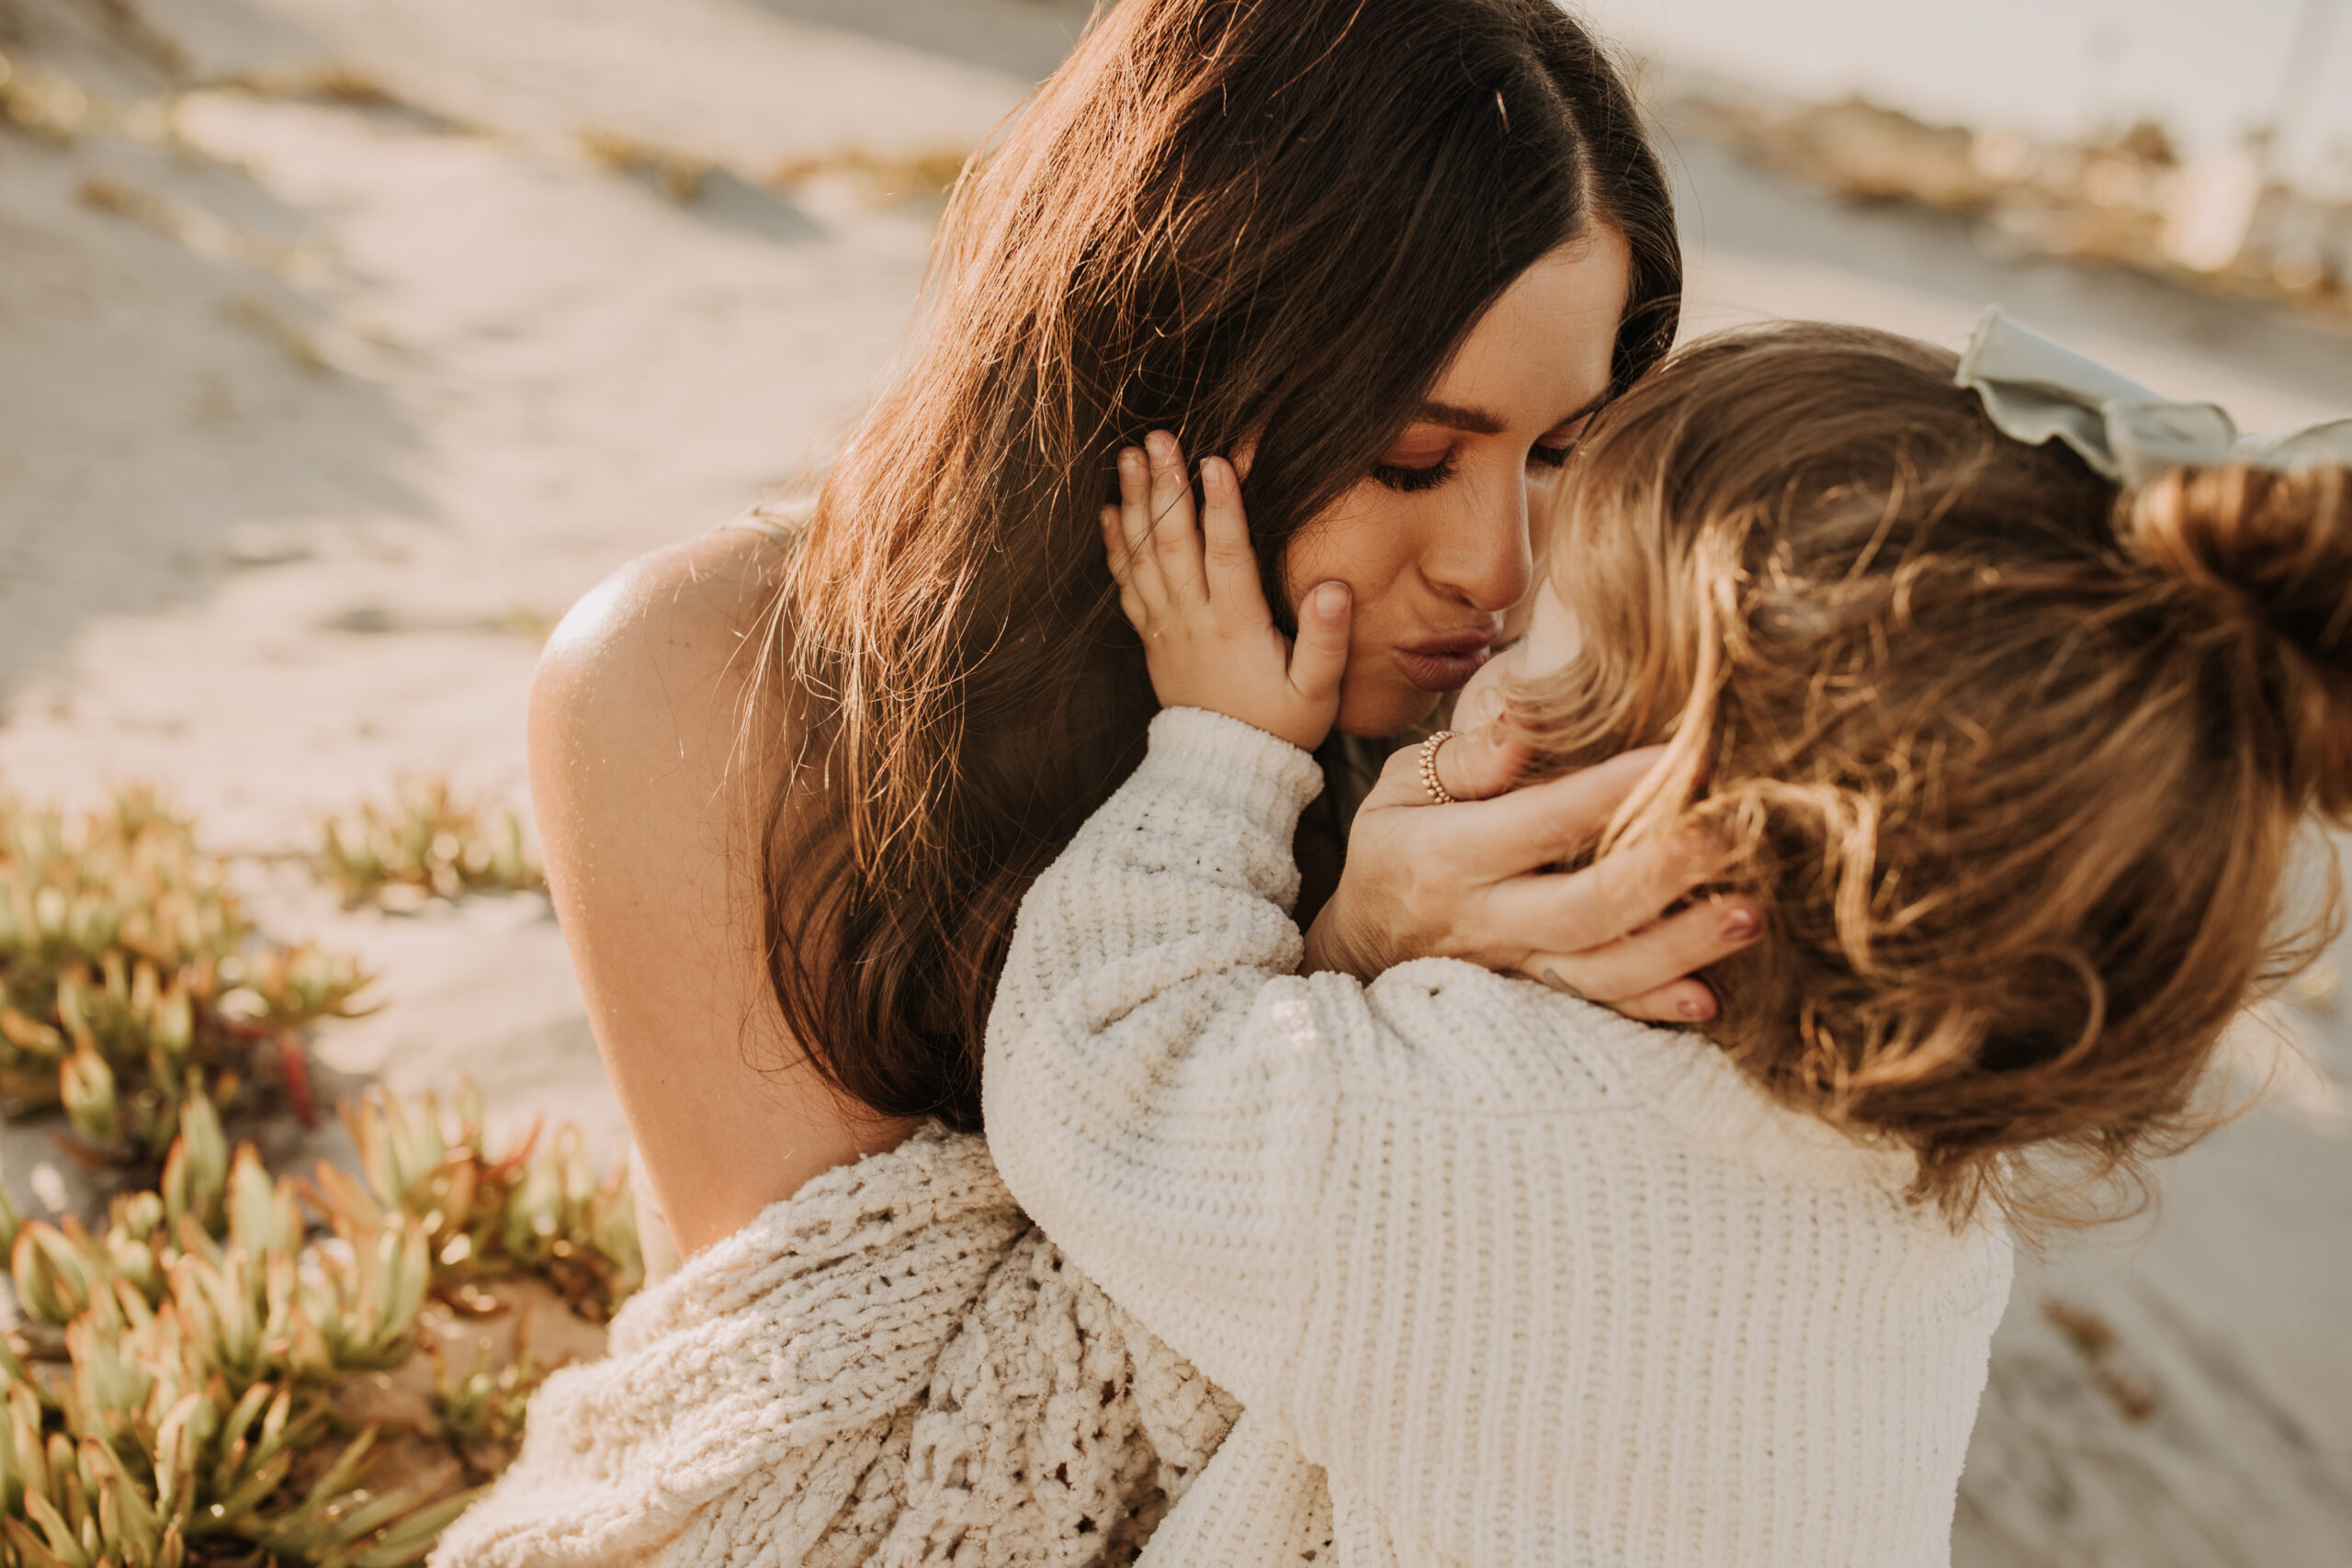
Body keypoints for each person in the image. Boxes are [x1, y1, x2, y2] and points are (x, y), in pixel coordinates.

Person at [439, 3, 1757, 1562]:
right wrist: (1355, 970)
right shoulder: (712, 677)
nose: (1497, 571)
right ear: (1173, 362)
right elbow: (873, 1487)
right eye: (1411, 458)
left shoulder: (1499, 738)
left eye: (1558, 454)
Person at [982, 316, 2352, 1565]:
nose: (1495, 616)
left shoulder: (1454, 1135)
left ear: (1676, 818)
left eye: (1545, 632)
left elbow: (1089, 1062)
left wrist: (1225, 755)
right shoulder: (1925, 1227)